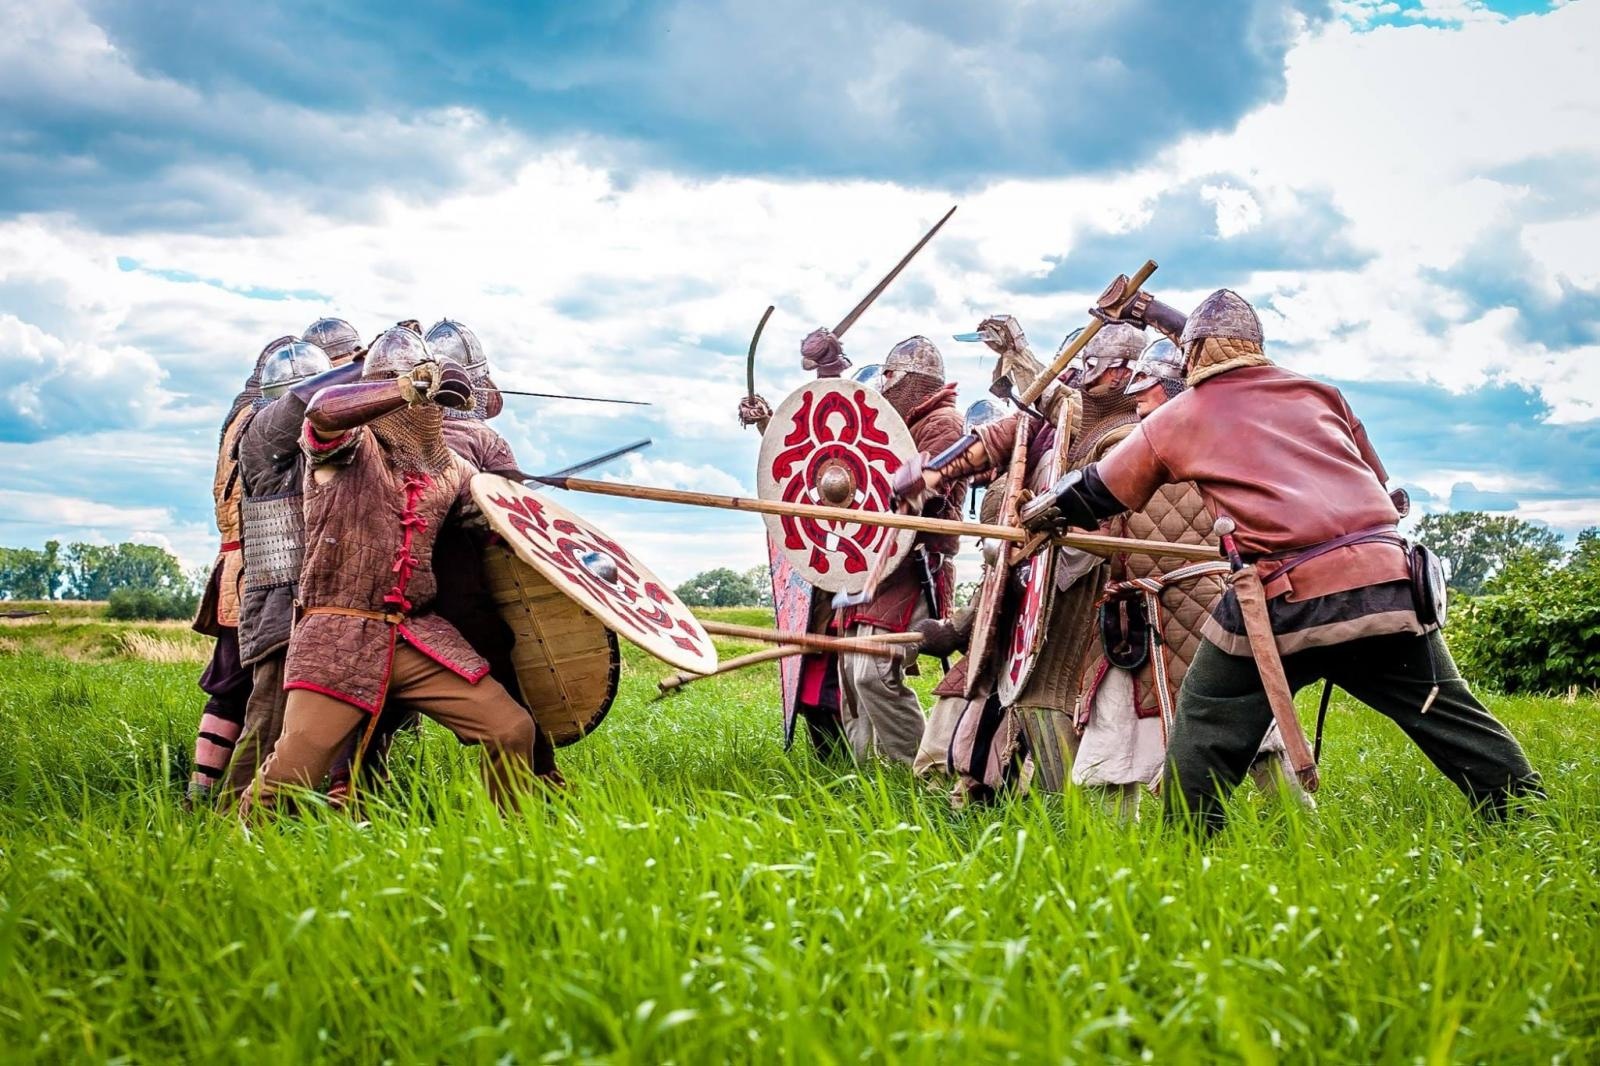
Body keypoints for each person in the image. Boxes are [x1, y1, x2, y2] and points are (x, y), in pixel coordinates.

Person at [1019, 288, 1543, 832]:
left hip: (1281, 599)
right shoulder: (1319, 393)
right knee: (1450, 715)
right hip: (1385, 584)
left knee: (1204, 727)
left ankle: (1185, 847)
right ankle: (1530, 820)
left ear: (1192, 356)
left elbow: (1100, 491)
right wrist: (1152, 312)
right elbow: (1382, 490)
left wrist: (1043, 512)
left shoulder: (1181, 416)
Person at [243, 328, 537, 815]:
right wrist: (404, 387)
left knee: (511, 729)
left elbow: (491, 512)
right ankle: (231, 850)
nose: (419, 402)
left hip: (416, 638)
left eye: (424, 388)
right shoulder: (345, 447)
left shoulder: (451, 468)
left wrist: (512, 504)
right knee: (289, 780)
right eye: (404, 386)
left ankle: (513, 843)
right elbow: (321, 410)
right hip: (339, 634)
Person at [900, 322, 1147, 792]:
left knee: (1050, 697)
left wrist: (1020, 352)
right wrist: (933, 473)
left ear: (1120, 374)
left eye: (1088, 366)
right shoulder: (1045, 427)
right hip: (1031, 577)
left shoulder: (1125, 432)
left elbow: (1104, 522)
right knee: (1015, 692)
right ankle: (1006, 794)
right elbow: (993, 439)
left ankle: (1068, 810)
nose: (1078, 375)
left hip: (1087, 585)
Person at [783, 330, 965, 766]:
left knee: (873, 673)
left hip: (912, 564)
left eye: (890, 377)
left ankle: (919, 774)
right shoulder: (899, 425)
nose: (883, 385)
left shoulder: (944, 424)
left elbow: (916, 489)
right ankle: (870, 776)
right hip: (869, 563)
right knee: (850, 678)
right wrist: (829, 371)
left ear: (912, 380)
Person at [226, 329, 363, 799]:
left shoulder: (320, 445)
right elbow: (307, 402)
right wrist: (376, 365)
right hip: (280, 607)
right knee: (268, 721)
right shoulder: (261, 433)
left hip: (328, 602)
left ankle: (321, 810)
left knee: (343, 721)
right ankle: (229, 816)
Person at [186, 335, 293, 802]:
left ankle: (201, 792)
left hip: (236, 563)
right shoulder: (270, 421)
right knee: (251, 688)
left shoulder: (238, 415)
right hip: (263, 565)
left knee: (231, 687)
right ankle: (225, 795)